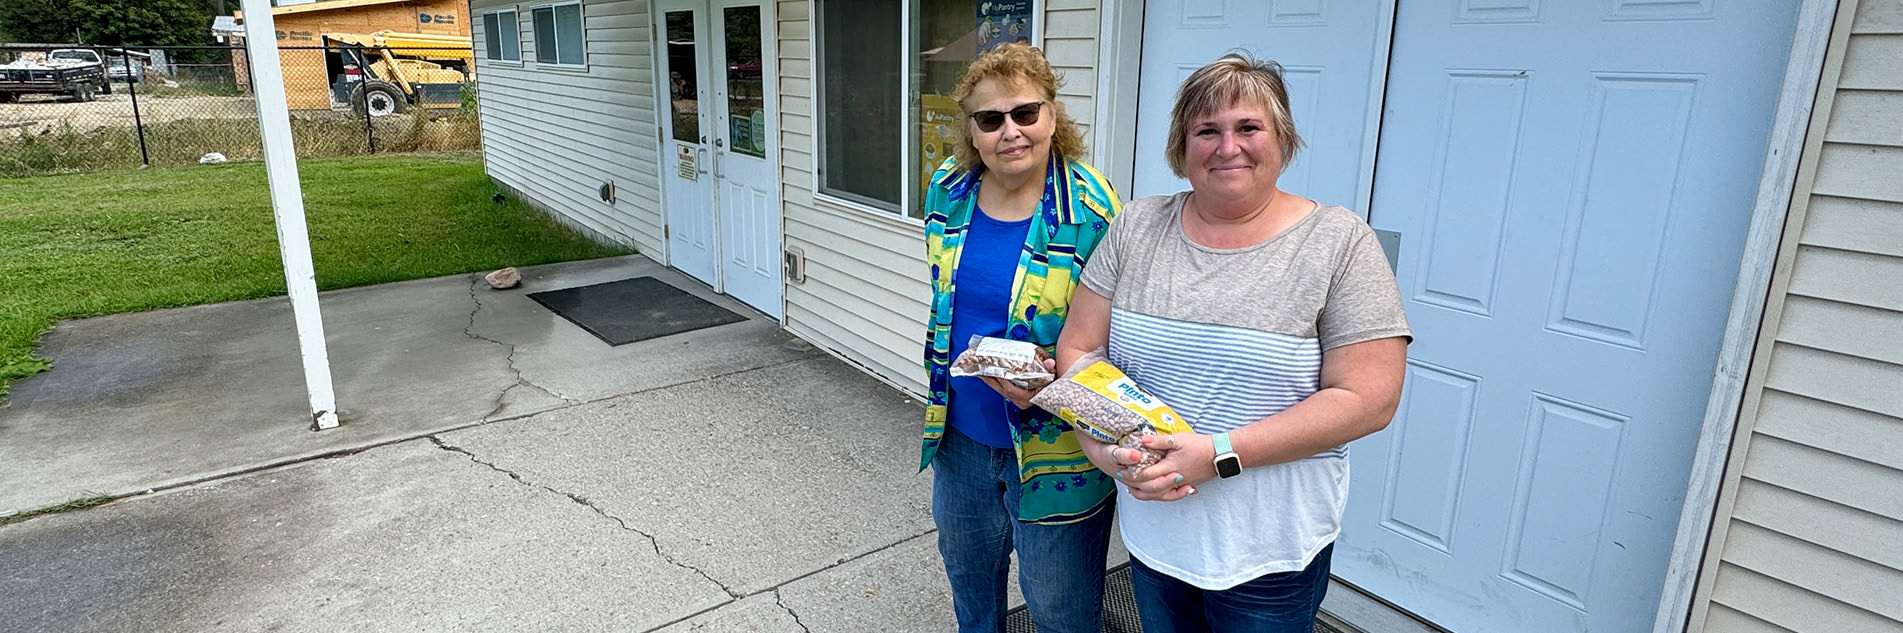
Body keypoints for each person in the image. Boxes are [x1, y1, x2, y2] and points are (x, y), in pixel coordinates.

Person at [1054, 52, 1411, 633]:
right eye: (1207, 130)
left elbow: (1369, 397)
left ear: (1282, 138)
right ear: (1181, 144)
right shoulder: (1137, 227)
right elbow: (1080, 352)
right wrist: (1101, 452)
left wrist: (1220, 454)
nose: (1228, 147)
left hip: (1269, 554)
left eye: (1248, 127)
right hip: (1155, 536)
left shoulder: (1338, 243)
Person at [918, 43, 1123, 633]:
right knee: (972, 592)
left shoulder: (1093, 208)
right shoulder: (948, 191)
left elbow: (1121, 337)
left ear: (1052, 118)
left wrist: (1055, 374)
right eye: (991, 119)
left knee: (1060, 609)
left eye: (1025, 113)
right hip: (959, 438)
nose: (1011, 131)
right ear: (973, 131)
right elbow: (948, 304)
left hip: (1057, 451)